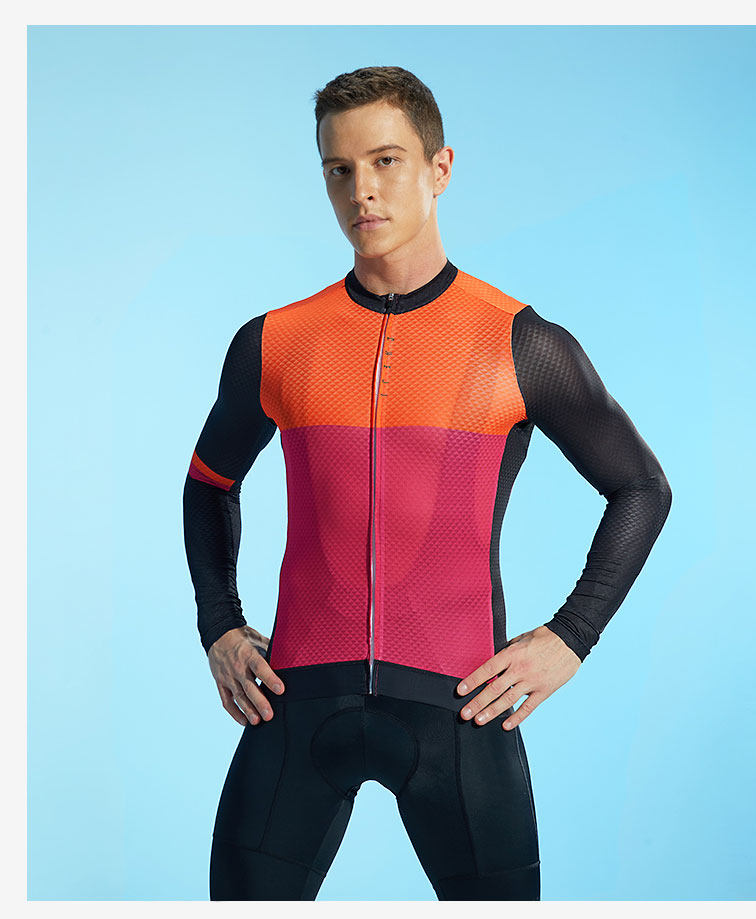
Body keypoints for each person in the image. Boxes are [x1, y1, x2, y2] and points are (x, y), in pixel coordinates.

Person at [182, 65, 672, 901]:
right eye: (339, 169)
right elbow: (208, 483)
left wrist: (571, 636)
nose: (361, 191)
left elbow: (641, 488)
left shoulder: (519, 342)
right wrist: (220, 624)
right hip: (298, 703)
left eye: (386, 161)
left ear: (440, 168)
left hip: (460, 712)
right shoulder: (275, 341)